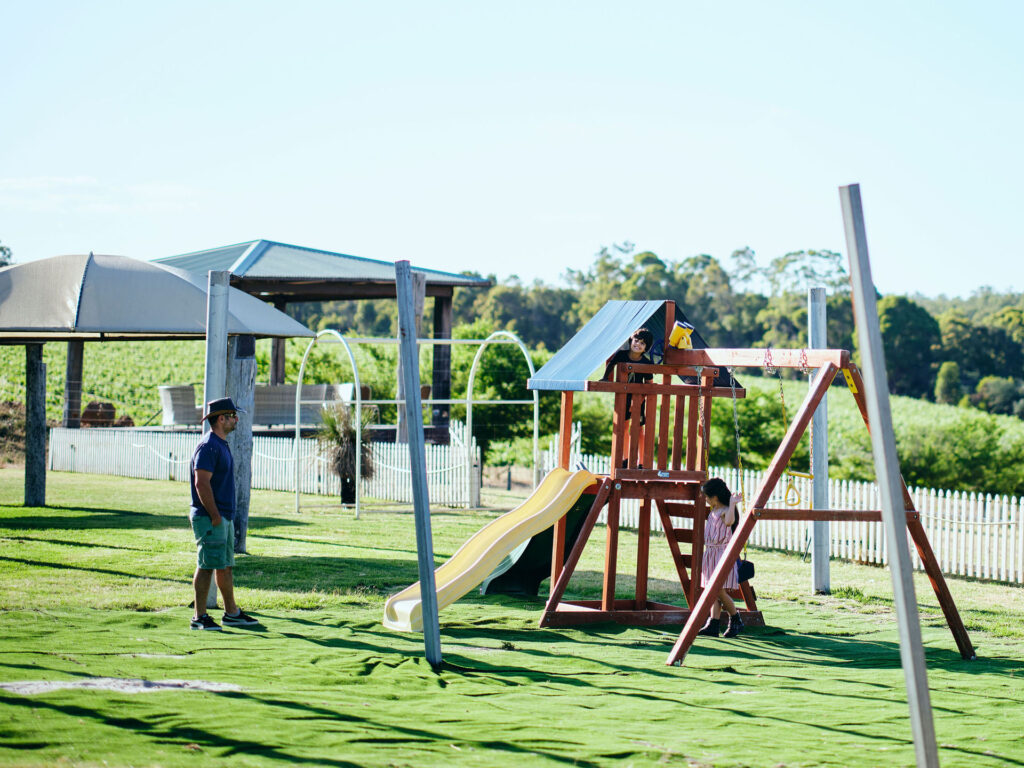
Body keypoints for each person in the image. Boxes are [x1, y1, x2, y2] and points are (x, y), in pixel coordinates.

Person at [189, 397, 260, 631]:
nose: (236, 420)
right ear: (221, 418)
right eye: (232, 416)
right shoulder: (209, 446)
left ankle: (232, 613)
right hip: (211, 517)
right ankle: (199, 617)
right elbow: (201, 483)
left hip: (222, 517)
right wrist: (215, 515)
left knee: (225, 565)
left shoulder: (221, 443)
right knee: (207, 564)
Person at [697, 477, 744, 638]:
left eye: (707, 496)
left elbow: (730, 522)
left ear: (715, 497)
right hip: (711, 553)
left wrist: (732, 503)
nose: (705, 499)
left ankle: (736, 618)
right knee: (713, 590)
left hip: (721, 554)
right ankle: (714, 623)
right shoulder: (714, 510)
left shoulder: (724, 510)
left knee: (718, 589)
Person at [601, 328, 655, 423]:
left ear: (646, 348)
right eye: (636, 340)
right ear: (631, 340)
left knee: (639, 427)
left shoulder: (646, 363)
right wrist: (605, 377)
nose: (638, 344)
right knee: (623, 424)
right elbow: (611, 364)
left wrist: (639, 401)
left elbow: (649, 384)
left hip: (638, 397)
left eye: (642, 343)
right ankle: (624, 438)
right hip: (623, 396)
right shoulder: (621, 354)